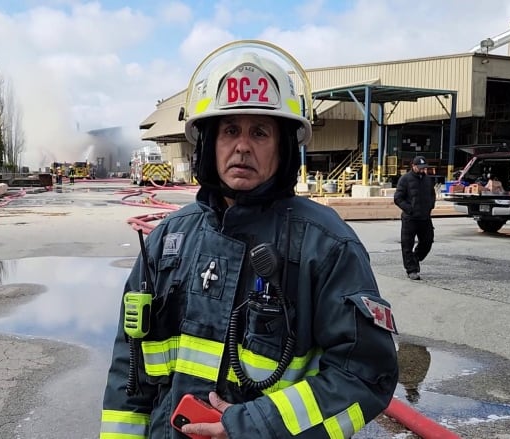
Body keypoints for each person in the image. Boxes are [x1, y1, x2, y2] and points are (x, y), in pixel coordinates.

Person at [100, 40, 398, 439]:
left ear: (283, 147)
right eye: (229, 130)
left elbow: (365, 376)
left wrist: (252, 426)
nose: (242, 145)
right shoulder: (169, 240)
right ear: (208, 143)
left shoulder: (326, 246)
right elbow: (128, 373)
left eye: (260, 131)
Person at [393, 156, 436, 280]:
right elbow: (398, 198)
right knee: (407, 245)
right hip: (410, 218)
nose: (423, 170)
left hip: (425, 218)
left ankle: (415, 257)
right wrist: (409, 209)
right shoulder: (405, 179)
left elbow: (432, 195)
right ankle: (411, 270)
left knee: (428, 241)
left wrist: (430, 206)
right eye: (421, 168)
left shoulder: (428, 180)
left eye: (425, 168)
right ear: (414, 166)